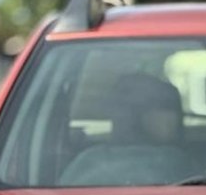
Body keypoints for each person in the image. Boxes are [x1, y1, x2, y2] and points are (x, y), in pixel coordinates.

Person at [60, 74, 191, 185]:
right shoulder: (176, 162)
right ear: (137, 114)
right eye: (163, 108)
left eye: (173, 109)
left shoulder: (88, 161)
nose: (172, 117)